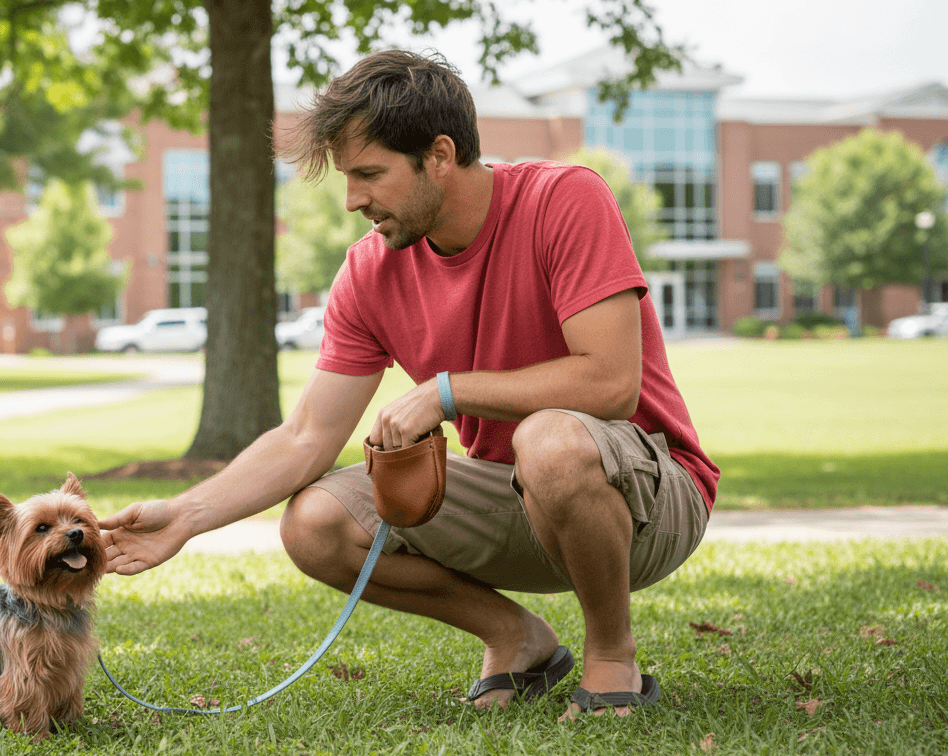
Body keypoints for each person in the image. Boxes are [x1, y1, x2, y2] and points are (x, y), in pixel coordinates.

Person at [101, 49, 719, 721]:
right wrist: (185, 517)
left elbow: (609, 382)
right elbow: (307, 435)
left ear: (440, 155)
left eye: (369, 174)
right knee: (315, 523)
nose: (352, 200)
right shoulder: (369, 271)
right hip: (516, 495)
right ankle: (517, 640)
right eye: (348, 178)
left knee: (550, 441)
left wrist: (446, 391)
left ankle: (611, 657)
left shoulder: (563, 198)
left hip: (649, 500)